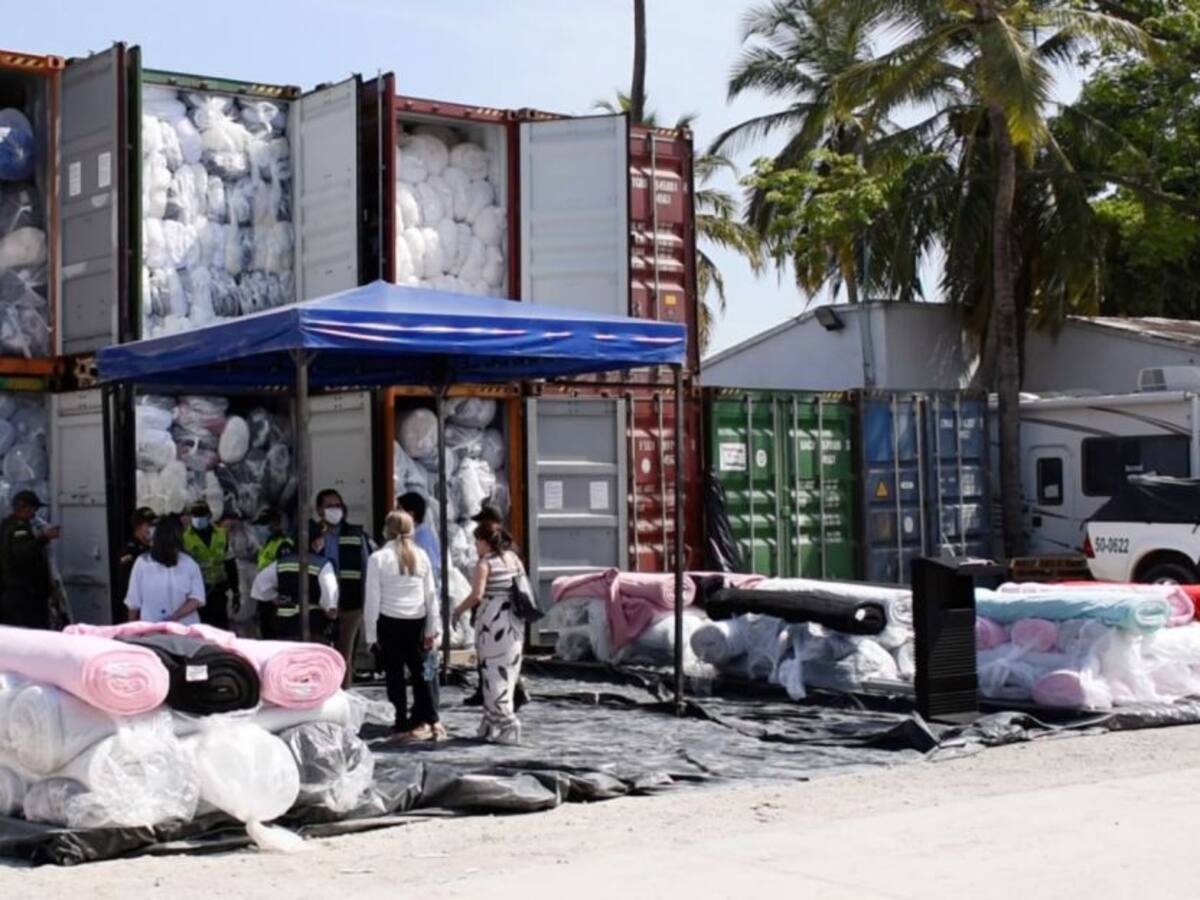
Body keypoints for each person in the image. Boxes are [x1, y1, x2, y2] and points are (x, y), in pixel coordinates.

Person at [365, 510, 444, 741]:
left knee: (395, 676)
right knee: (422, 675)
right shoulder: (421, 556)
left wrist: (371, 636)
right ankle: (429, 718)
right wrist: (432, 629)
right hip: (417, 622)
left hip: (389, 622)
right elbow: (431, 597)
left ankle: (400, 718)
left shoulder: (378, 558)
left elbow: (372, 600)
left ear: (386, 531)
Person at [453, 521, 526, 745]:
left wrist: (458, 611)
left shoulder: (485, 564)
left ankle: (506, 722)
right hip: (513, 621)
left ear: (485, 542)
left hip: (492, 624)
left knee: (492, 672)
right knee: (507, 671)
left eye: (477, 541)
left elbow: (477, 594)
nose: (475, 545)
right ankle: (492, 721)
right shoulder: (513, 558)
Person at [462, 503, 530, 710]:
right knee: (501, 658)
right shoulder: (509, 553)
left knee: (495, 659)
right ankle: (497, 694)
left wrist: (460, 610)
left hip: (495, 615)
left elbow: (478, 593)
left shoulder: (492, 558)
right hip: (508, 615)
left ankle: (506, 698)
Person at [310, 489, 371, 685]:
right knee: (319, 652)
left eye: (338, 506)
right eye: (329, 506)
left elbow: (367, 565)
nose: (335, 510)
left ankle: (344, 693)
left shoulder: (355, 533)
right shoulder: (311, 533)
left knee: (343, 653)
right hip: (318, 601)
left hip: (349, 601)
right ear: (319, 510)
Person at [124, 514, 205, 624]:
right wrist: (131, 630)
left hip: (185, 630)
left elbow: (197, 598)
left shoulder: (189, 564)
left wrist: (173, 618)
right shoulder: (143, 563)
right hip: (152, 630)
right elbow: (133, 602)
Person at [0, 490, 60, 629]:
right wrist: (44, 538)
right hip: (23, 595)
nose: (34, 513)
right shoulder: (18, 529)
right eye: (33, 509)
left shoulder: (7, 525)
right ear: (23, 508)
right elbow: (22, 554)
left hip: (18, 594)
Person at [250, 549, 339, 642]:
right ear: (315, 543)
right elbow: (330, 598)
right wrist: (331, 612)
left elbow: (260, 584)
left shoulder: (281, 563)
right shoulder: (322, 565)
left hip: (285, 626)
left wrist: (277, 598)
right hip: (313, 626)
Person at [183, 501, 239, 631]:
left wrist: (236, 591)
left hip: (219, 590)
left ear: (209, 515)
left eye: (201, 515)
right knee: (201, 631)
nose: (198, 519)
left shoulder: (222, 534)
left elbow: (230, 563)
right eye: (195, 515)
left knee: (221, 630)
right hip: (198, 594)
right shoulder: (184, 538)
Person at [397, 492, 440, 586]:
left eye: (399, 511)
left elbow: (432, 570)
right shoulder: (416, 535)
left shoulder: (422, 539)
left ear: (410, 514)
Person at [116, 508, 157, 607]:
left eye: (154, 525)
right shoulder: (130, 550)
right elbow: (127, 582)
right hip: (136, 603)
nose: (153, 529)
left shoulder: (152, 547)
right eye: (149, 525)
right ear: (138, 527)